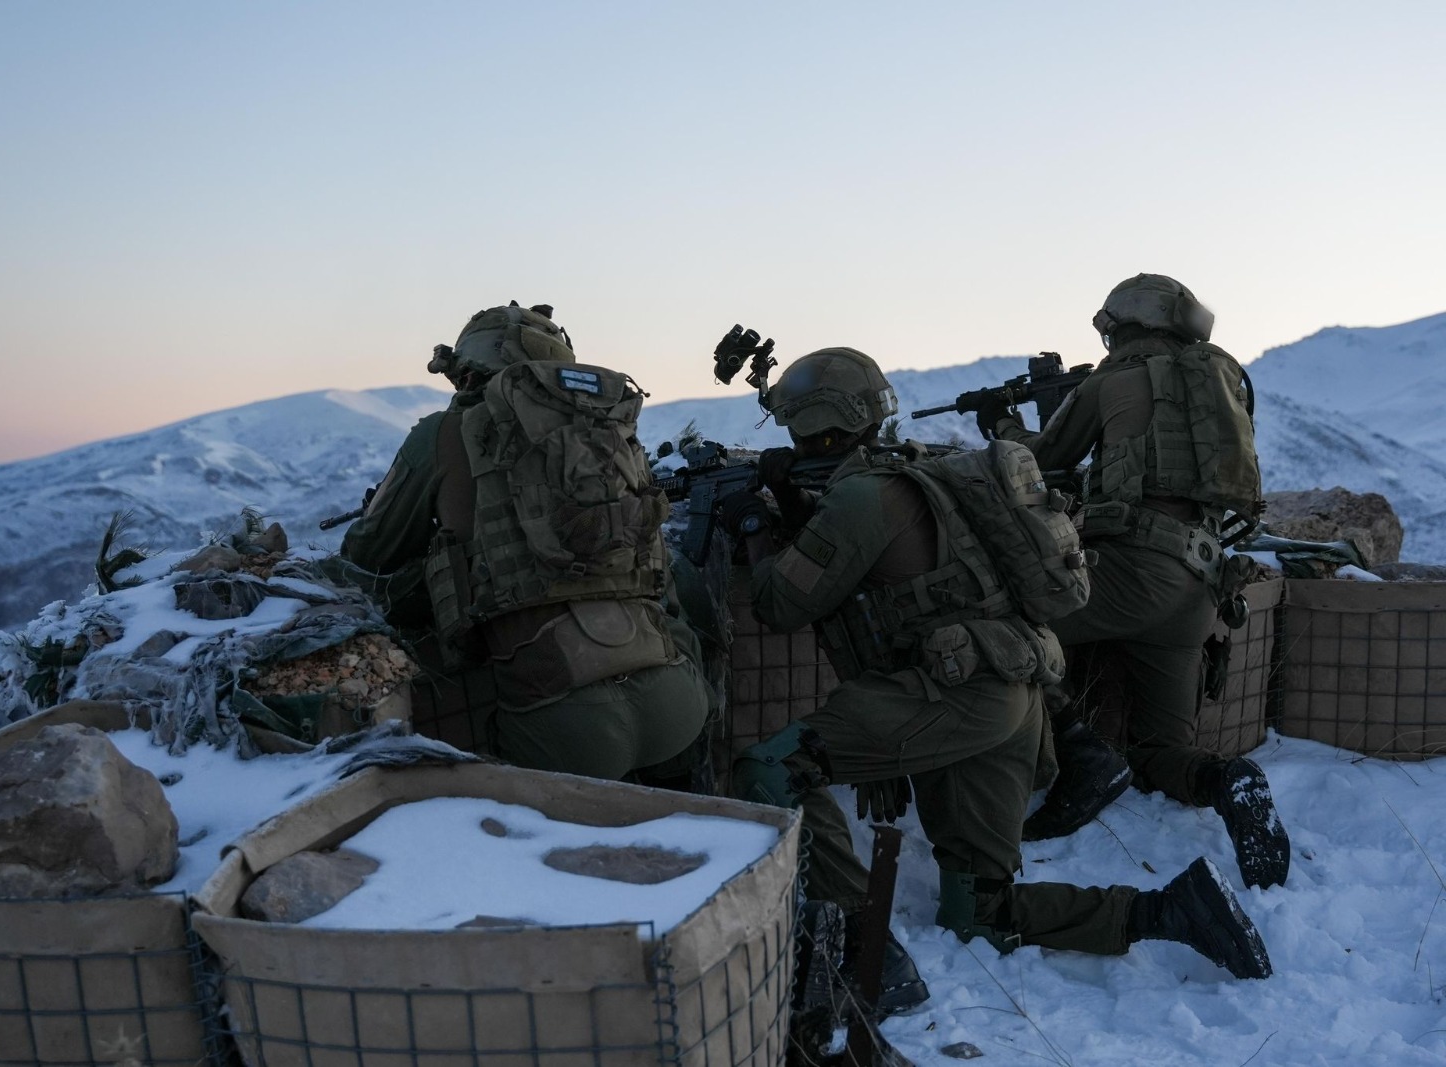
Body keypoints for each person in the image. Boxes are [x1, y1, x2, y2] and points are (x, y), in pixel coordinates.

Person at [728, 347, 1273, 1016]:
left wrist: (755, 528)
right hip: (1016, 695)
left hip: (951, 696)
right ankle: (1169, 910)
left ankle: (857, 949)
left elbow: (779, 604)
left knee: (772, 770)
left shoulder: (860, 497)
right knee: (979, 911)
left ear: (810, 424)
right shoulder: (926, 473)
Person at [978, 274, 1291, 892]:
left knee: (1007, 630)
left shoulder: (1114, 377)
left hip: (1130, 576)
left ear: (1119, 326)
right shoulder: (1218, 381)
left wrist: (1004, 426)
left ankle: (1083, 757)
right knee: (1157, 754)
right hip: (1198, 591)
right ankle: (1225, 782)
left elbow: (1043, 457)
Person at [341, 302, 711, 787]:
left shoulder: (444, 431)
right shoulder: (612, 438)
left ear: (467, 372)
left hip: (561, 724)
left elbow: (368, 556)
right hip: (677, 703)